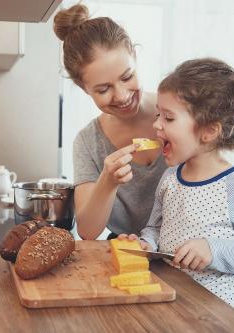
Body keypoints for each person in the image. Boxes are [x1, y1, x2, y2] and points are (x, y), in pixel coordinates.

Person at [120, 58, 234, 328]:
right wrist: (145, 244)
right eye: (158, 114)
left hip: (220, 318)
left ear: (209, 131)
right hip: (176, 308)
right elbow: (156, 228)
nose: (157, 125)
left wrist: (214, 250)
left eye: (169, 117)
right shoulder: (170, 177)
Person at [53, 4, 168, 240]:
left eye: (127, 77)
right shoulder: (88, 142)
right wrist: (108, 181)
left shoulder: (181, 113)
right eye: (103, 89)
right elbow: (87, 231)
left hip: (189, 255)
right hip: (127, 254)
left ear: (135, 58)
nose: (122, 96)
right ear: (83, 88)